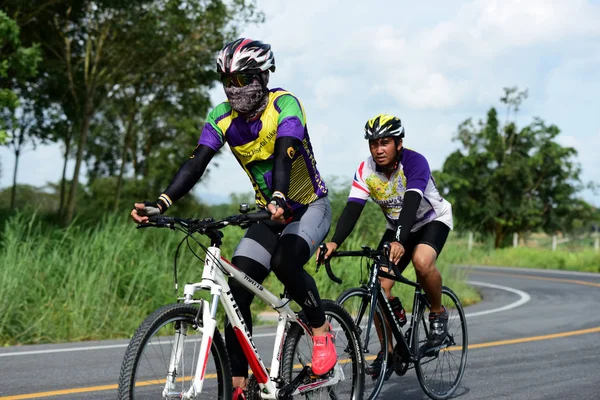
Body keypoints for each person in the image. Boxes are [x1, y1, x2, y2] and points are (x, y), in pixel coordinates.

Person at [130, 38, 335, 400]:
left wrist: (279, 196)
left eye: (241, 80)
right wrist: (161, 203)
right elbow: (196, 162)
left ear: (261, 76)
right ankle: (242, 386)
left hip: (307, 206)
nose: (233, 89)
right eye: (227, 80)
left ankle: (320, 328)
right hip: (267, 213)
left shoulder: (284, 104)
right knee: (236, 290)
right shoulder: (221, 117)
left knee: (285, 262)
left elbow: (284, 155)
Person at [318, 114, 453, 379]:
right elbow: (353, 208)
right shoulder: (365, 170)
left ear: (398, 143)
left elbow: (412, 201)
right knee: (379, 288)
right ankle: (388, 352)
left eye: (385, 142)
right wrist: (335, 241)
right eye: (373, 143)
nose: (378, 149)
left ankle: (437, 313)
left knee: (422, 262)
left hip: (430, 220)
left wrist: (401, 241)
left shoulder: (415, 162)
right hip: (397, 227)